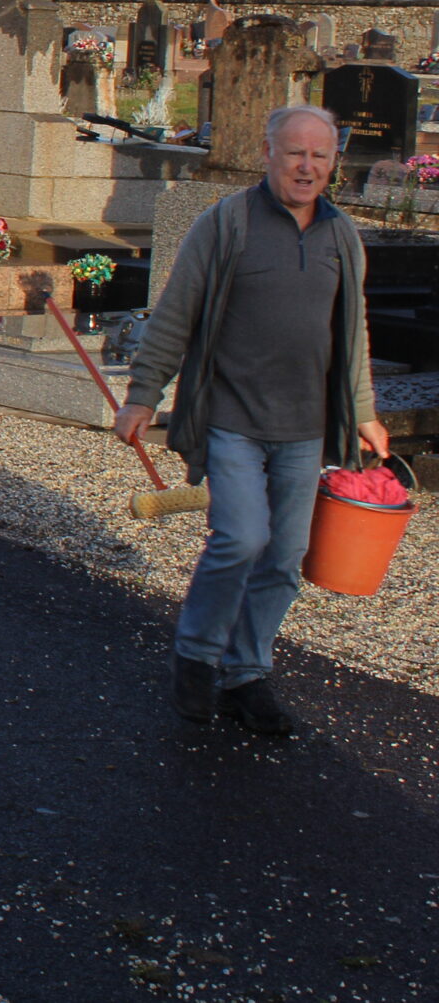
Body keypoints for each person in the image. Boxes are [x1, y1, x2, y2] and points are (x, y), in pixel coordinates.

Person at [118, 103, 391, 735]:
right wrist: (142, 395)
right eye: (295, 152)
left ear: (333, 164)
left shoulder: (342, 235)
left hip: (305, 428)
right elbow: (176, 313)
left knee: (284, 557)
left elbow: (351, 335)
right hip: (233, 418)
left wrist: (365, 412)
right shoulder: (227, 223)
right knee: (242, 538)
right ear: (268, 154)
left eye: (320, 156)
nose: (307, 166)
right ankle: (196, 653)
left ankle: (246, 675)